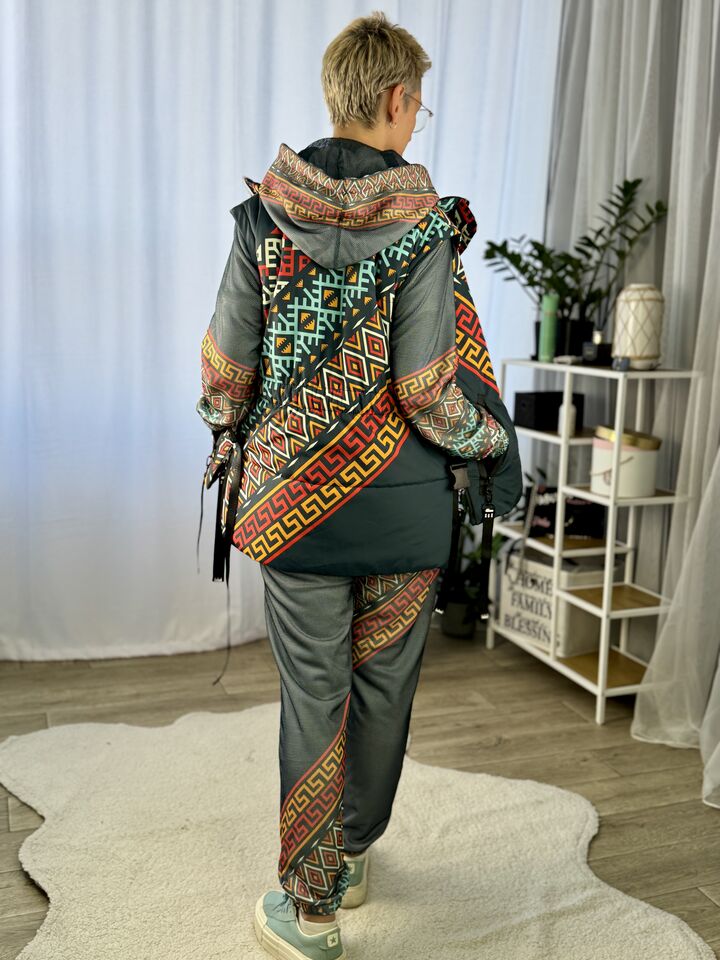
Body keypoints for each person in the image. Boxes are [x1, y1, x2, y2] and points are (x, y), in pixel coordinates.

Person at [196, 11, 512, 959]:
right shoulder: (425, 232)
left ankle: (312, 908)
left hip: (292, 511)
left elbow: (224, 376)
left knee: (314, 695)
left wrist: (229, 428)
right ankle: (353, 854)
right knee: (381, 693)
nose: (418, 119)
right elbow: (429, 391)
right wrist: (489, 439)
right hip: (405, 514)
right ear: (396, 99)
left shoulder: (260, 221)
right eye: (420, 105)